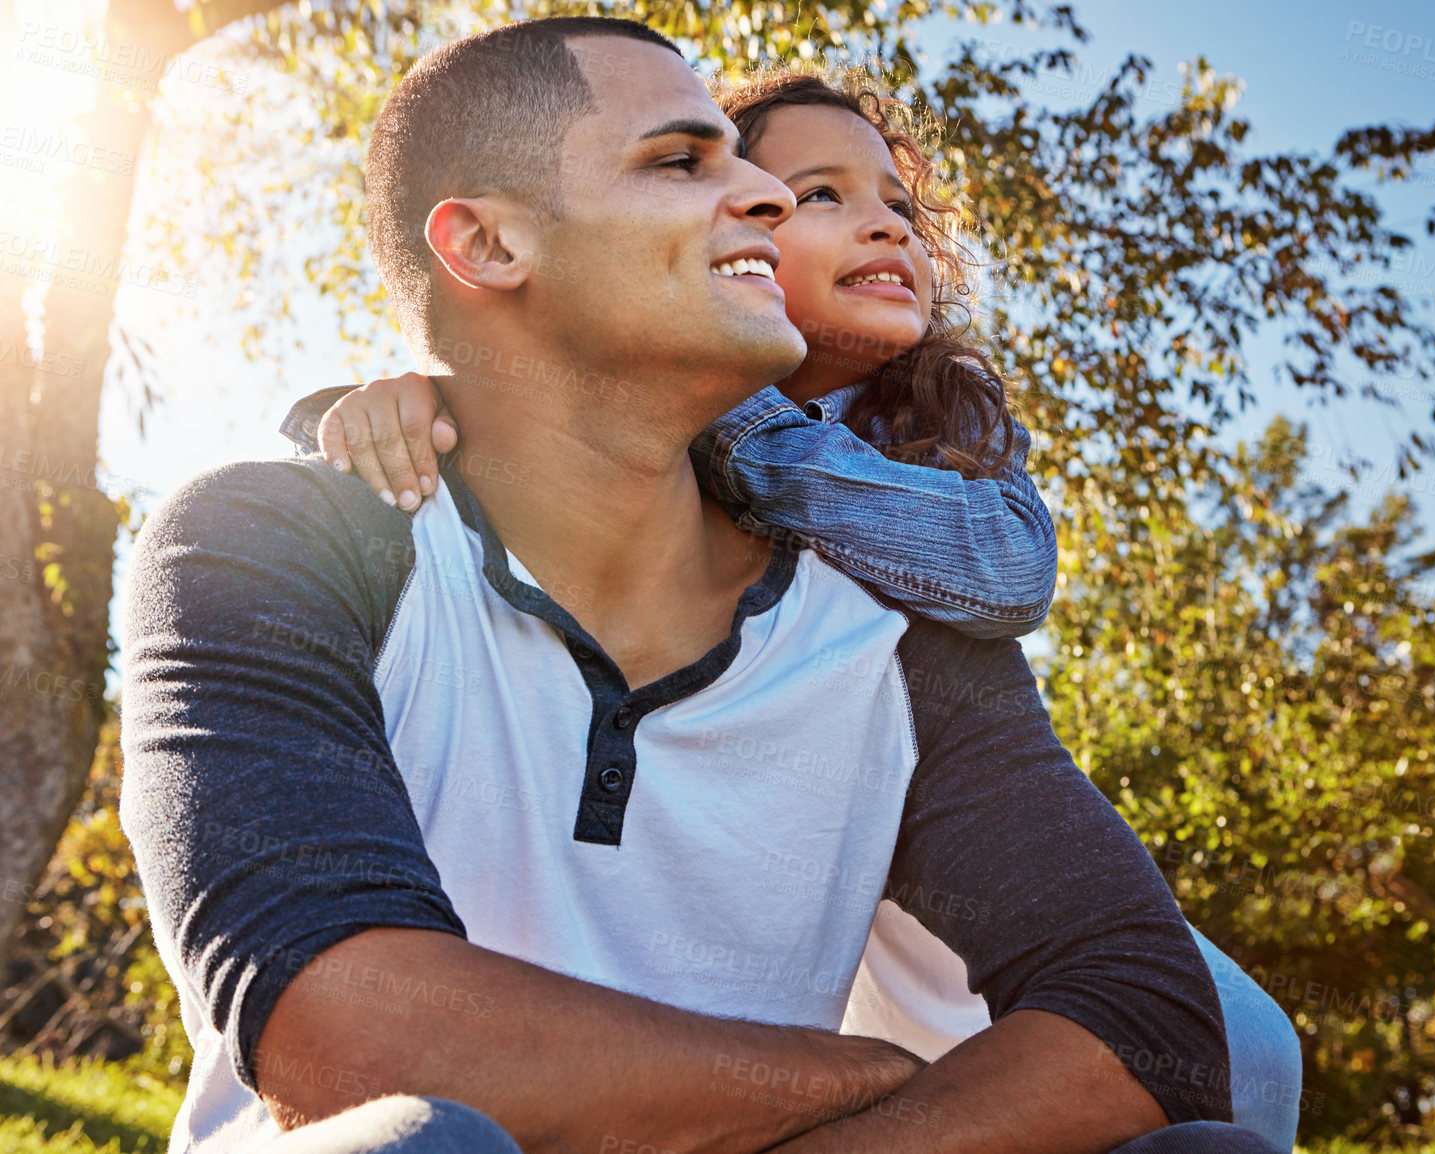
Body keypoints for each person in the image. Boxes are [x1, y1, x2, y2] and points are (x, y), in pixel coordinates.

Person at [120, 17, 1289, 1154]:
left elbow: (1146, 1028)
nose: (774, 202)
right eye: (681, 160)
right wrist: (876, 1080)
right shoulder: (270, 541)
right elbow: (355, 1031)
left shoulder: (899, 634)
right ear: (485, 247)